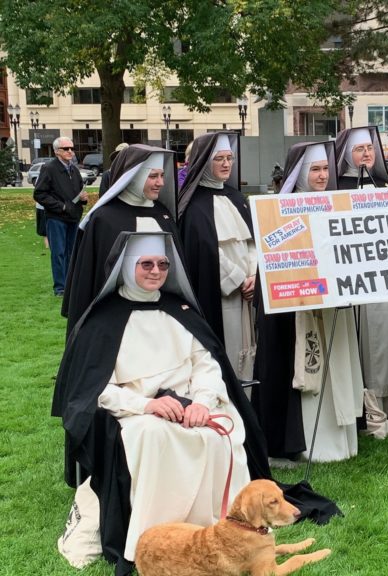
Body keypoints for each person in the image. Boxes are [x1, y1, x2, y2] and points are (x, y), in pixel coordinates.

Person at [52, 233, 267, 575]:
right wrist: (144, 405)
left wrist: (202, 402)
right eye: (146, 264)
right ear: (126, 267)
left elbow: (206, 364)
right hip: (133, 413)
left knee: (218, 434)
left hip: (190, 405)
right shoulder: (102, 321)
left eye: (163, 264)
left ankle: (217, 530)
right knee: (153, 438)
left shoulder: (179, 311)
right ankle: (152, 538)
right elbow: (93, 389)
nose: (156, 271)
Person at [255, 141, 365, 462]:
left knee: (336, 366)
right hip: (298, 310)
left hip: (332, 305)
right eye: (314, 170)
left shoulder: (336, 204)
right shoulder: (279, 211)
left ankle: (338, 440)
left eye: (325, 169)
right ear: (300, 174)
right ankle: (307, 445)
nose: (321, 176)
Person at [62, 144, 178, 335]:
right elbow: (92, 278)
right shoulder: (104, 219)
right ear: (134, 176)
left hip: (161, 312)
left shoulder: (163, 215)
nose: (160, 183)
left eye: (162, 175)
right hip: (116, 318)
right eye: (153, 176)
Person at [335, 126, 388, 420]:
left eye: (369, 149)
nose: (366, 154)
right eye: (359, 149)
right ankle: (364, 404)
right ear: (346, 155)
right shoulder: (338, 186)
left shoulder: (385, 185)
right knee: (364, 339)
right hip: (356, 278)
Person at [178, 133, 258, 380]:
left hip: (250, 291)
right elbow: (204, 249)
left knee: (252, 350)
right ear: (203, 162)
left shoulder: (236, 197)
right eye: (219, 159)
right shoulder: (192, 204)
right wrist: (237, 279)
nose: (226, 164)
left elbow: (254, 243)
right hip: (224, 294)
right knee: (229, 353)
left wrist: (254, 275)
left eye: (229, 158)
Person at [33, 137, 87, 296]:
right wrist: (61, 206)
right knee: (59, 253)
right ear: (57, 151)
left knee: (72, 252)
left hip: (73, 217)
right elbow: (39, 194)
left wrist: (82, 199)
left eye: (71, 148)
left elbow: (77, 191)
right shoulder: (49, 168)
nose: (70, 151)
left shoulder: (74, 169)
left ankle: (70, 284)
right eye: (66, 149)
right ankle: (60, 288)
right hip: (56, 218)